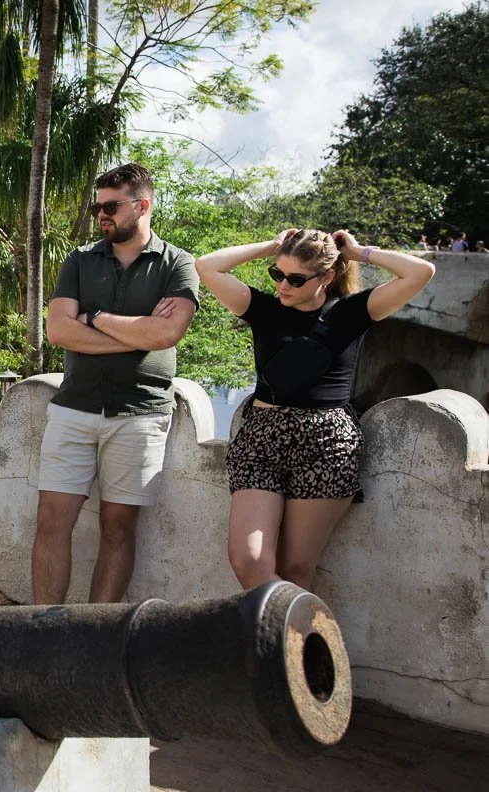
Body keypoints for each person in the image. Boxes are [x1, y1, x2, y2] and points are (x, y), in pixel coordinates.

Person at [195, 228, 435, 591]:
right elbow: (207, 266)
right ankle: (300, 638)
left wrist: (359, 253)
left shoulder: (352, 312)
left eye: (295, 279)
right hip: (261, 438)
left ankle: (295, 647)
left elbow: (421, 273)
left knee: (296, 568)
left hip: (326, 444)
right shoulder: (262, 309)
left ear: (327, 277)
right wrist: (272, 247)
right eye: (277, 274)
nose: (283, 286)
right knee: (249, 559)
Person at [33, 162, 199, 605]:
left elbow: (166, 334)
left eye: (110, 206)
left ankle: (96, 636)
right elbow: (60, 332)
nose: (100, 215)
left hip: (140, 413)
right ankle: (41, 630)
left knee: (118, 528)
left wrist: (98, 319)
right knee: (51, 521)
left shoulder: (177, 264)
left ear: (142, 205)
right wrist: (135, 337)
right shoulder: (80, 261)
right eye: (97, 206)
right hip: (75, 406)